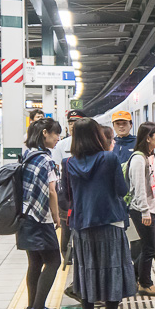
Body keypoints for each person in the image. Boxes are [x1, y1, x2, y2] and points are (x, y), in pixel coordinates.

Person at [63, 118, 136, 309]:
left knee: (86, 273)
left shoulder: (68, 163)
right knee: (113, 270)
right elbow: (121, 189)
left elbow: (68, 196)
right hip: (109, 223)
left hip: (82, 226)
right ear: (97, 136)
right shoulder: (109, 158)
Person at [19, 118, 63, 309]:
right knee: (54, 260)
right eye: (55, 134)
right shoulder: (45, 159)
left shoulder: (28, 155)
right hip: (40, 218)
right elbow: (52, 191)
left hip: (25, 216)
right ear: (45, 133)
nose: (58, 138)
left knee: (35, 261)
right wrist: (56, 217)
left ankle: (33, 306)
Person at [128, 122, 155, 296]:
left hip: (154, 209)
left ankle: (133, 276)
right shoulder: (138, 159)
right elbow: (138, 188)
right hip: (141, 210)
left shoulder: (152, 157)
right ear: (148, 138)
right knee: (149, 248)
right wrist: (145, 211)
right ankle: (144, 283)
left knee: (154, 248)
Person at [52, 109, 86, 262]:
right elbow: (57, 167)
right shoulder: (62, 145)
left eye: (76, 122)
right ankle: (66, 254)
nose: (72, 126)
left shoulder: (88, 143)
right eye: (70, 123)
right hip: (67, 191)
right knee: (66, 225)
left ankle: (81, 252)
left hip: (84, 191)